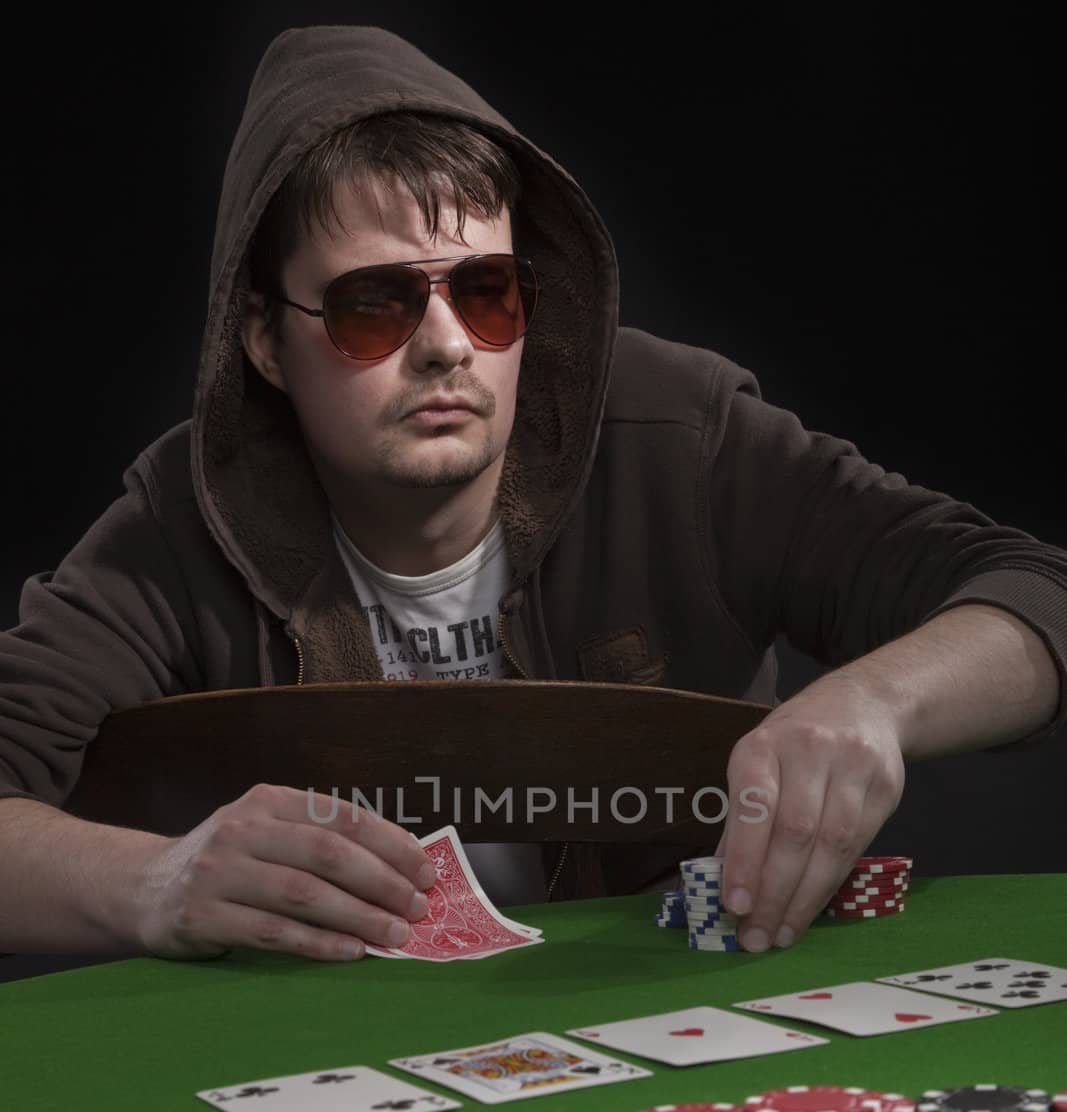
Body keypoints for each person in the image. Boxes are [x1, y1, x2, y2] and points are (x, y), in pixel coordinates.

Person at [1, 24, 1064, 969]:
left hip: (655, 1031)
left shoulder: (677, 436)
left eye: (484, 290)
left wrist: (871, 701)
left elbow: (1035, 594)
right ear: (266, 343)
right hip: (332, 1067)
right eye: (374, 305)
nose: (447, 346)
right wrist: (159, 884)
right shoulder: (185, 516)